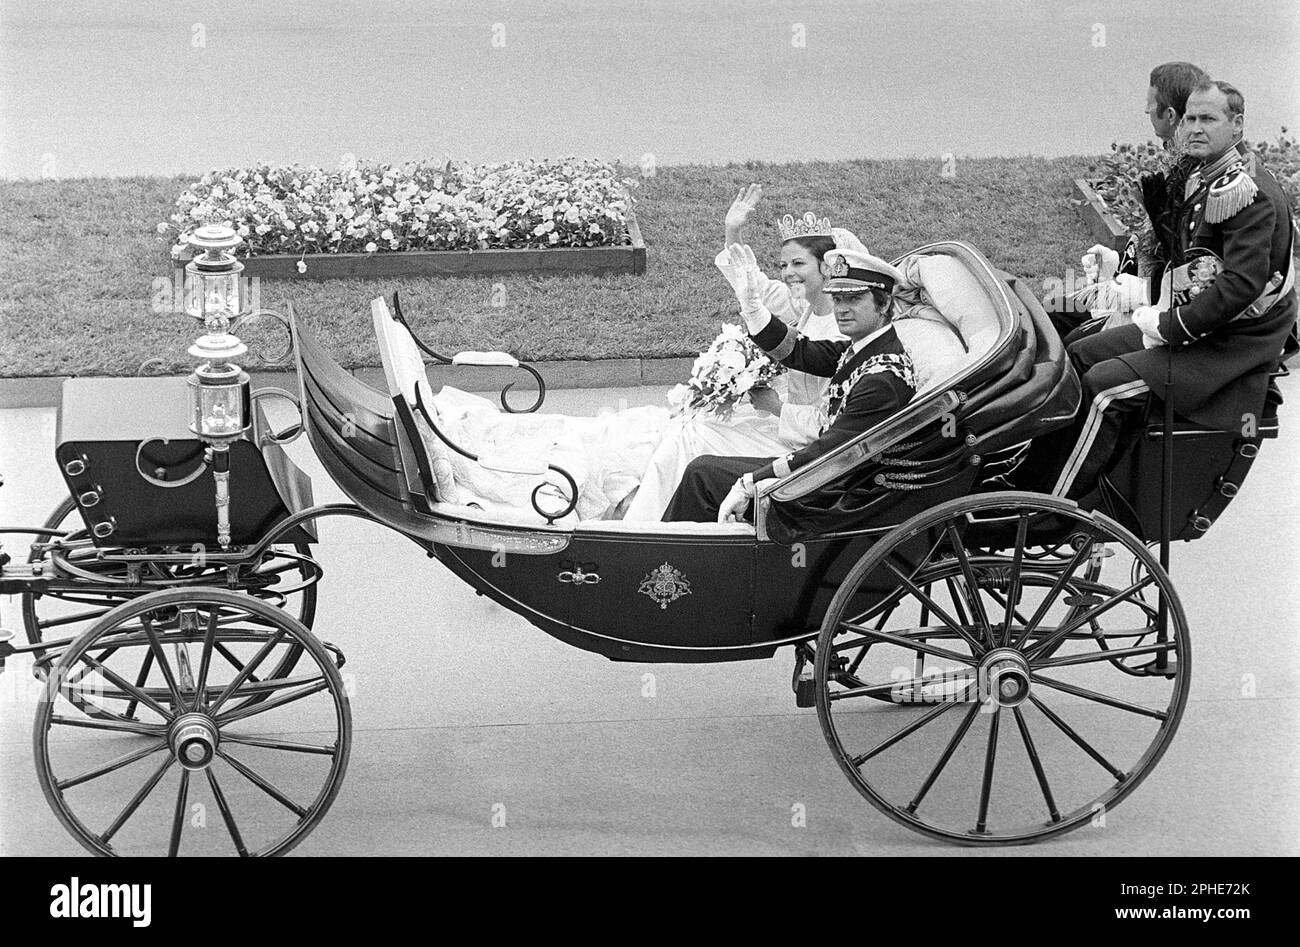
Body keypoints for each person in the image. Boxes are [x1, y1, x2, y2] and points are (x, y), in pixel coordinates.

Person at [1019, 79, 1296, 501]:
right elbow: (1197, 271)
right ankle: (1028, 478)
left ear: (1237, 125)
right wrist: (1135, 286)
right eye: (1190, 118)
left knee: (1105, 388)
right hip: (1198, 322)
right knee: (1077, 355)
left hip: (1227, 346)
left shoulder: (1245, 190)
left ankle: (1054, 504)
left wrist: (1169, 326)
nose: (1195, 128)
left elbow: (1240, 285)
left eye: (1209, 118)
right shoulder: (1210, 177)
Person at [621, 188, 866, 520]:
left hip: (802, 444)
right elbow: (752, 284)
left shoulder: (842, 331)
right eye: (783, 264)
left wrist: (776, 406)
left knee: (692, 438)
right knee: (688, 423)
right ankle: (646, 516)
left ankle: (647, 530)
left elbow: (831, 424)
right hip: (784, 424)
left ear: (827, 267)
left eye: (798, 263)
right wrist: (732, 230)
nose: (788, 272)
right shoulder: (804, 302)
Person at [662, 246, 916, 523]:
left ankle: (668, 563)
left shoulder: (881, 377)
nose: (841, 309)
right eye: (838, 298)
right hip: (830, 472)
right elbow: (797, 351)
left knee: (703, 476)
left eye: (853, 299)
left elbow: (830, 452)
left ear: (885, 304)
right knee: (702, 470)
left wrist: (751, 482)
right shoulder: (865, 348)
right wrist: (753, 307)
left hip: (835, 494)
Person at [1051, 61, 1210, 341]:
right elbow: (1157, 249)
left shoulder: (1195, 183)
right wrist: (1116, 265)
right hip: (1138, 295)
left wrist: (1143, 291)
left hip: (1158, 316)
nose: (1146, 111)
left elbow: (1194, 273)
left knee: (1071, 344)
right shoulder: (1180, 169)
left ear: (1170, 115)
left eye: (1151, 104)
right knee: (1050, 314)